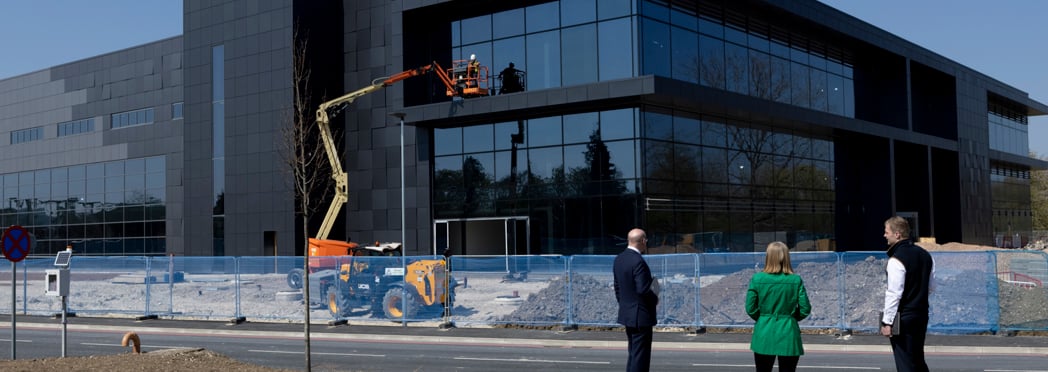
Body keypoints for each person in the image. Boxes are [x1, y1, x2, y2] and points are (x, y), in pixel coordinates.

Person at [880, 216, 935, 372]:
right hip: (921, 313)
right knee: (917, 358)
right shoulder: (925, 255)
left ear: (897, 234)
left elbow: (894, 293)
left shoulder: (896, 259)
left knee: (905, 361)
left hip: (904, 316)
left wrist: (887, 322)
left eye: (887, 232)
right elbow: (932, 286)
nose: (885, 235)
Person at [746, 241, 811, 372]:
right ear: (786, 257)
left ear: (768, 257)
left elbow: (750, 307)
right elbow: (805, 308)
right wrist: (791, 318)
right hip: (788, 330)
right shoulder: (795, 280)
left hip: (764, 330)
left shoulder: (757, 279)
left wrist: (763, 317)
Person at [613, 228, 659, 372]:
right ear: (643, 241)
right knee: (641, 357)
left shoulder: (619, 259)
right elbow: (643, 289)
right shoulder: (638, 261)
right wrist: (655, 298)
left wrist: (625, 305)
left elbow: (618, 288)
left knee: (633, 353)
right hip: (641, 314)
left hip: (627, 313)